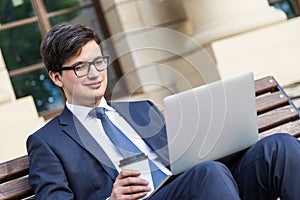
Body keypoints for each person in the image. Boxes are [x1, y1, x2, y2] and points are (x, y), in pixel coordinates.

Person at [27, 22, 300, 200]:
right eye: (80, 67)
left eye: (98, 61)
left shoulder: (141, 110)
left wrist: (221, 140)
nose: (95, 73)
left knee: (278, 147)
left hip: (198, 188)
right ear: (56, 77)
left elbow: (185, 162)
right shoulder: (48, 143)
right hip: (182, 190)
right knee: (208, 175)